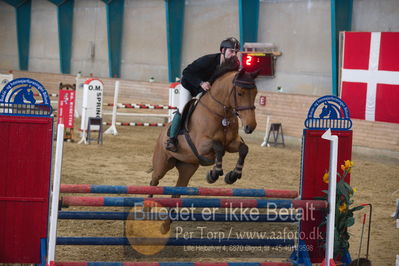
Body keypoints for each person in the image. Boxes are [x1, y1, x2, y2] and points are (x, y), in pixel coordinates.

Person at [165, 37, 241, 152]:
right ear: (222, 50)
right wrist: (201, 83)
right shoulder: (208, 60)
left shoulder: (234, 64)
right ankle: (172, 139)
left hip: (207, 91)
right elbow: (186, 73)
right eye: (231, 51)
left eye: (236, 52)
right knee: (182, 109)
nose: (234, 55)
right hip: (190, 86)